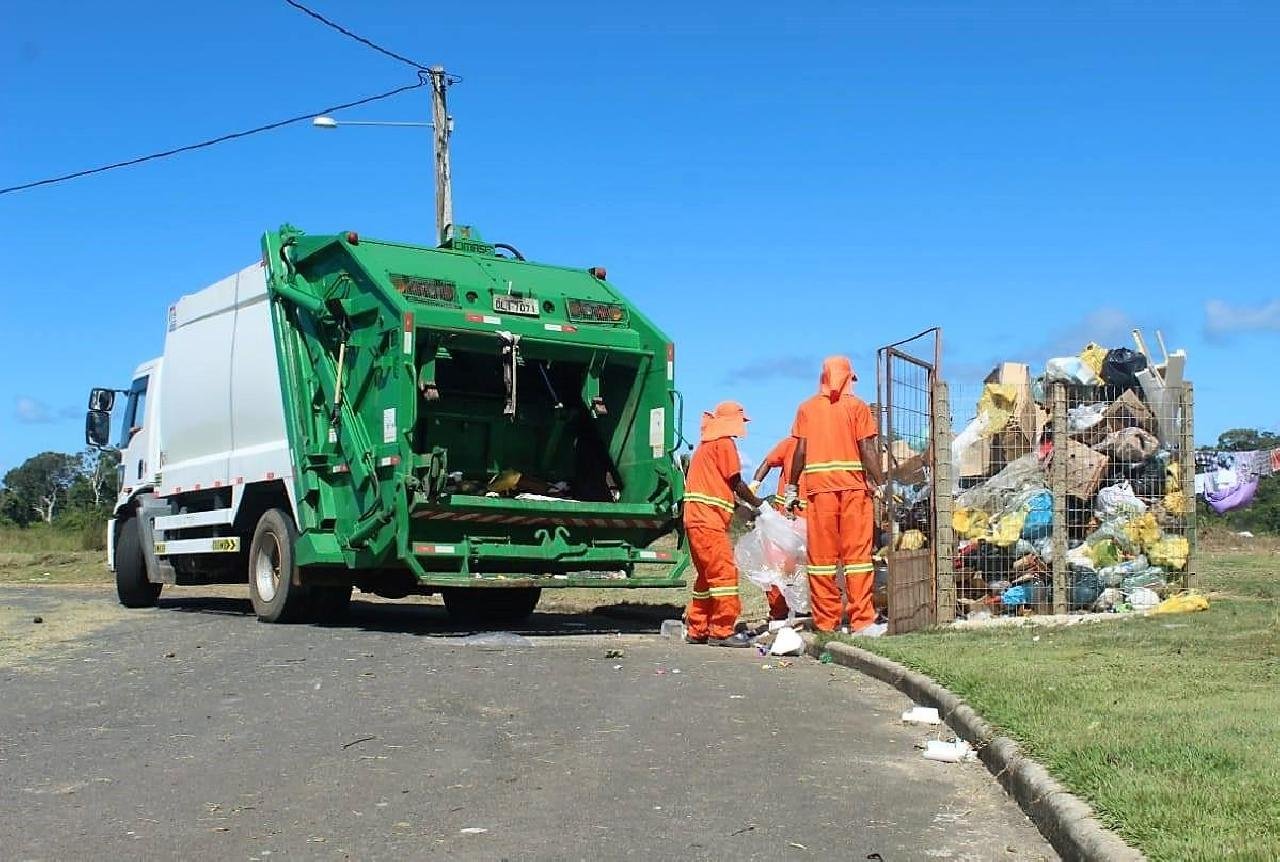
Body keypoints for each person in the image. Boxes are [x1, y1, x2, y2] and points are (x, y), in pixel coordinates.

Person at [783, 356, 885, 635]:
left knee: (821, 562)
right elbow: (867, 449)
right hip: (852, 491)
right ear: (849, 378)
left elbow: (800, 452)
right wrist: (881, 482)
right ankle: (861, 621)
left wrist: (791, 487)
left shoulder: (807, 409)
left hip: (819, 493)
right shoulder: (857, 407)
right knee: (857, 559)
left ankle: (826, 622)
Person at [683, 401, 764, 647]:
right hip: (708, 520)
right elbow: (736, 482)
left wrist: (746, 509)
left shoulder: (706, 445)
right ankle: (721, 630)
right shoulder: (724, 443)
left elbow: (722, 487)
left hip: (696, 518)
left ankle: (698, 628)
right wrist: (758, 503)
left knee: (707, 578)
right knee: (724, 573)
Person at [750, 436, 807, 624]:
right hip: (787, 517)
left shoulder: (827, 444)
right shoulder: (790, 443)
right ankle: (780, 612)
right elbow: (767, 462)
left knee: (803, 567)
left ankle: (801, 609)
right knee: (781, 566)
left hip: (809, 519)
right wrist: (754, 485)